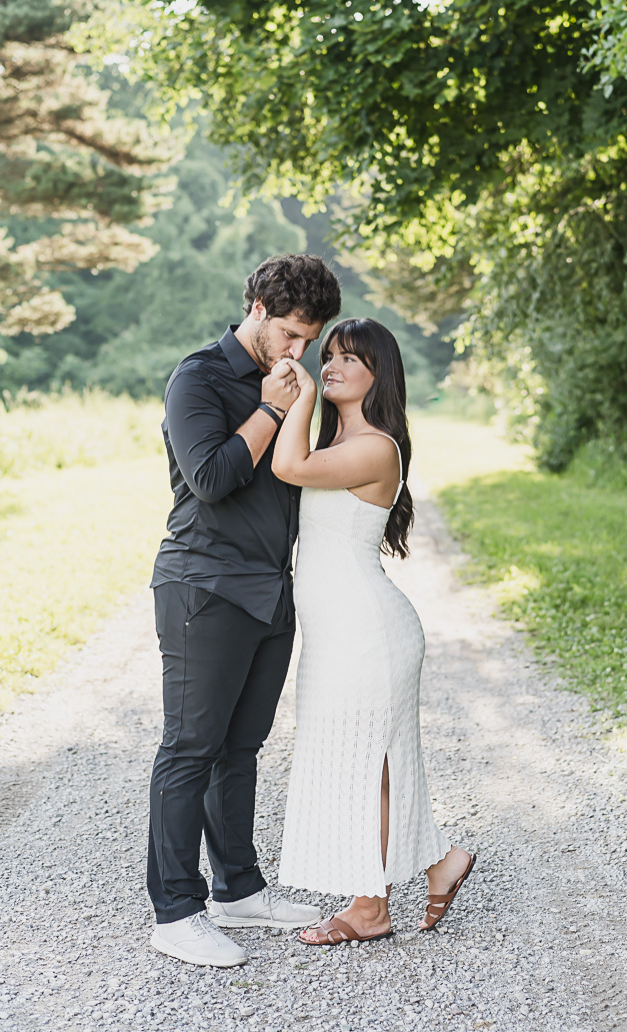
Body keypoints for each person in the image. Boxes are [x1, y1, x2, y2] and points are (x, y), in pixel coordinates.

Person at [147, 254, 342, 968]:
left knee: (240, 750)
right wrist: (272, 408)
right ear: (256, 309)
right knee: (190, 749)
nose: (298, 352)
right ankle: (174, 911)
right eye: (290, 334)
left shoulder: (292, 381)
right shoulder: (197, 378)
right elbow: (212, 478)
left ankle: (238, 888)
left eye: (309, 341)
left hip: (269, 589)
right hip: (204, 585)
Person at [271, 316, 476, 944]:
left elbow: (287, 466)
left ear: (378, 374)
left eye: (347, 358)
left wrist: (301, 397)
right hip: (341, 634)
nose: (330, 365)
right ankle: (441, 865)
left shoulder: (376, 447)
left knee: (365, 766)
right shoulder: (345, 444)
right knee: (375, 765)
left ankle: (369, 908)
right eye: (327, 355)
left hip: (367, 633)